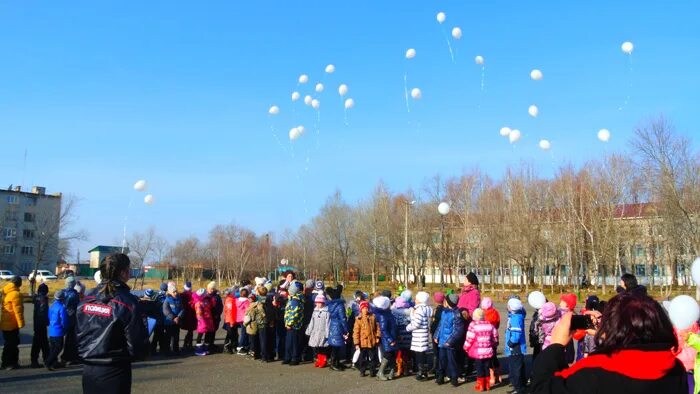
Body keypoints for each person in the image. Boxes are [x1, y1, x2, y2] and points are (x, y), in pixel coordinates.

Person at [531, 292, 688, 393]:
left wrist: (555, 346)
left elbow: (543, 388)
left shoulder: (593, 372)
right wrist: (610, 335)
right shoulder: (676, 369)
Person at [77, 253, 148, 394]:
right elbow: (137, 347)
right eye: (129, 270)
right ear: (123, 273)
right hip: (115, 371)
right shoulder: (127, 302)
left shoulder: (86, 299)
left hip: (89, 371)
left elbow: (78, 335)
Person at [463, 308, 499, 392]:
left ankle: (481, 385)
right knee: (486, 368)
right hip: (488, 350)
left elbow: (469, 338)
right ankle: (487, 385)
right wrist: (494, 344)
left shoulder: (473, 325)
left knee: (479, 368)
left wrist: (465, 347)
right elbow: (495, 337)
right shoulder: (490, 325)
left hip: (478, 352)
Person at [435, 294, 465, 387]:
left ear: (449, 302)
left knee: (452, 361)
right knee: (442, 360)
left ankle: (454, 378)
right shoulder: (444, 312)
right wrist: (437, 336)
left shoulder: (456, 314)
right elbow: (440, 325)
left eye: (446, 300)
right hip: (442, 342)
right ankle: (440, 377)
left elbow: (458, 330)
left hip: (450, 344)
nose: (444, 302)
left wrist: (450, 341)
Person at [406, 291, 432, 381]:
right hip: (423, 334)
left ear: (420, 300)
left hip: (419, 336)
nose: (415, 300)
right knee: (423, 354)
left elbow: (416, 323)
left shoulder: (419, 310)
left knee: (420, 355)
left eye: (416, 298)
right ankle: (423, 371)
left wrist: (408, 327)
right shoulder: (427, 308)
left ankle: (422, 373)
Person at [1, 275, 25, 370]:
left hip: (5, 323)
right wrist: (20, 324)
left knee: (8, 344)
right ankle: (9, 363)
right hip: (12, 324)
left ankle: (6, 363)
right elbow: (17, 311)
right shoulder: (16, 294)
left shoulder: (5, 292)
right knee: (12, 344)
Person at [505, 297, 527, 394]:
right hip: (517, 348)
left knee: (515, 369)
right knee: (519, 367)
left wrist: (511, 342)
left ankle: (518, 388)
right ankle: (521, 385)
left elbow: (516, 334)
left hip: (515, 348)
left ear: (511, 307)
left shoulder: (515, 318)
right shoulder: (517, 315)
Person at [373, 295, 398, 381]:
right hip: (388, 338)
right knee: (388, 354)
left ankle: (392, 371)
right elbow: (384, 330)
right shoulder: (383, 315)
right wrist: (390, 340)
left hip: (393, 336)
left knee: (393, 354)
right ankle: (380, 372)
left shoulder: (387, 313)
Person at [353, 300, 380, 377]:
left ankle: (372, 370)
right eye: (364, 308)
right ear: (361, 309)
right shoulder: (358, 319)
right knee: (362, 358)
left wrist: (378, 336)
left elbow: (377, 328)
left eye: (367, 308)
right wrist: (356, 343)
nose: (366, 309)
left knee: (373, 357)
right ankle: (362, 370)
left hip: (372, 341)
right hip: (363, 342)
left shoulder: (372, 317)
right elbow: (356, 332)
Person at [325, 285, 348, 371]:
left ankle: (336, 362)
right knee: (336, 346)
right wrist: (346, 330)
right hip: (338, 326)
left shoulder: (330, 305)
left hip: (332, 325)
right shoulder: (340, 306)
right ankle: (334, 363)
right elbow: (343, 318)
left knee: (335, 346)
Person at [306, 293, 330, 368]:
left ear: (323, 302)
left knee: (323, 347)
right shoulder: (315, 311)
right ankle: (319, 360)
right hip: (315, 332)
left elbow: (328, 323)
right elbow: (312, 321)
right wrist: (309, 330)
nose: (318, 304)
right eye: (316, 302)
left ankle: (323, 360)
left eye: (319, 302)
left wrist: (327, 333)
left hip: (323, 332)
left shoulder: (326, 312)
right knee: (317, 347)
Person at [481, 297, 502, 385]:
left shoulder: (483, 314)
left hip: (486, 338)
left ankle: (492, 375)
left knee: (488, 357)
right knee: (494, 356)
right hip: (495, 336)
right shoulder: (496, 312)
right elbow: (498, 324)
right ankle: (499, 375)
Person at [284, 281, 305, 365]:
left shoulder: (295, 300)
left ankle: (295, 358)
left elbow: (294, 313)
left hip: (294, 325)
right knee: (289, 341)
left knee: (294, 342)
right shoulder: (292, 298)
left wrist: (289, 323)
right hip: (291, 324)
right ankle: (288, 357)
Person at [47, 290, 68, 370]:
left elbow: (49, 317)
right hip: (58, 331)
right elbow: (64, 321)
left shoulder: (51, 306)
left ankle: (53, 362)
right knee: (58, 348)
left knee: (53, 348)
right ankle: (48, 361)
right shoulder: (62, 308)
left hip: (51, 330)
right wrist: (65, 329)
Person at [61, 276, 81, 365]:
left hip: (63, 317)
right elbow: (78, 305)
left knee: (65, 338)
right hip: (72, 317)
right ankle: (70, 357)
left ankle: (66, 356)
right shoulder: (74, 294)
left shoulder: (62, 292)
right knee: (71, 338)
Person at [392, 295, 412, 377]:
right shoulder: (409, 313)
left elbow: (394, 325)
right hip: (408, 335)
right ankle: (406, 369)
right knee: (406, 352)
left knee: (399, 353)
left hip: (399, 335)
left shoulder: (394, 313)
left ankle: (399, 369)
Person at [31, 282, 50, 368]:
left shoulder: (36, 298)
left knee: (37, 342)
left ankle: (35, 360)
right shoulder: (43, 299)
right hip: (41, 324)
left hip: (36, 323)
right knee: (43, 343)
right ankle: (46, 359)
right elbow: (42, 312)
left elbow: (32, 295)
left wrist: (32, 284)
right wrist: (46, 322)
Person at [162, 281, 184, 355]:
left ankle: (176, 349)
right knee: (168, 337)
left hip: (177, 322)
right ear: (170, 292)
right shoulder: (167, 300)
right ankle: (166, 351)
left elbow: (182, 309)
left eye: (176, 291)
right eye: (174, 292)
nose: (175, 293)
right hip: (169, 322)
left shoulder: (179, 299)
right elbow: (166, 311)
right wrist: (173, 318)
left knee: (176, 337)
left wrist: (179, 317)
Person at [193, 288, 214, 356]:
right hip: (202, 321)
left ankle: (206, 347)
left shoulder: (206, 300)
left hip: (208, 319)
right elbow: (199, 314)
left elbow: (210, 306)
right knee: (200, 333)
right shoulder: (198, 303)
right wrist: (202, 321)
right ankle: (198, 349)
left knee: (208, 333)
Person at [430, 291, 445, 376]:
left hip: (436, 332)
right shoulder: (445, 309)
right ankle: (441, 366)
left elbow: (434, 323)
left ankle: (436, 367)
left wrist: (431, 330)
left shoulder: (436, 310)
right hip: (442, 333)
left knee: (436, 351)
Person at [179, 281, 197, 350]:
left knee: (189, 330)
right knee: (190, 330)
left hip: (185, 315)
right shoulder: (193, 295)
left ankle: (186, 344)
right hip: (191, 315)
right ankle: (188, 344)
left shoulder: (182, 295)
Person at [207, 281, 223, 352]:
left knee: (214, 330)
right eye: (210, 289)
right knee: (208, 331)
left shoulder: (217, 296)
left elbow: (220, 306)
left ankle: (211, 343)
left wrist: (218, 313)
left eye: (212, 289)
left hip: (216, 316)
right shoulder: (206, 296)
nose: (211, 290)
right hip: (208, 316)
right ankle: (208, 344)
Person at [236, 288, 251, 354]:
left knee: (243, 332)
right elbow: (248, 309)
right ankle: (240, 346)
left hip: (238, 318)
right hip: (244, 318)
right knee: (244, 333)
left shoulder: (237, 300)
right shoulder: (246, 301)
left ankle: (243, 345)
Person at [223, 288, 238, 354]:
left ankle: (233, 346)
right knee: (230, 334)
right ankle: (227, 347)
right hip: (230, 320)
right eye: (233, 292)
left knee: (234, 334)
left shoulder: (232, 299)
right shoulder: (229, 300)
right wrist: (232, 322)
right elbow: (230, 312)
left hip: (233, 319)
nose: (235, 293)